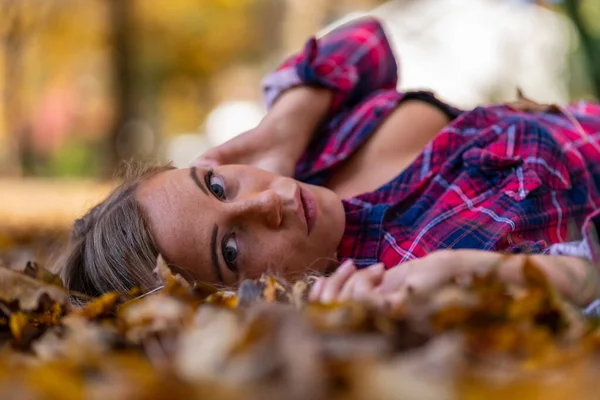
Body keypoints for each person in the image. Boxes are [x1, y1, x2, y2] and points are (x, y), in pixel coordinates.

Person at [59, 17, 600, 309]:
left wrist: (284, 126)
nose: (267, 202)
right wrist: (475, 276)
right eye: (230, 250)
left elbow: (364, 39)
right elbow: (585, 282)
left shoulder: (312, 152)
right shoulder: (396, 279)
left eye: (217, 187)